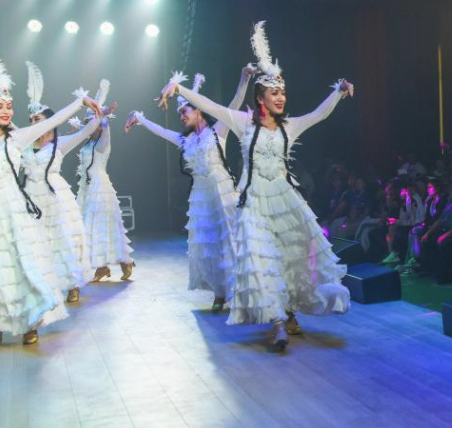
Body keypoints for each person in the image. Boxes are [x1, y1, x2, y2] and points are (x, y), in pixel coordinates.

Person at [158, 21, 352, 350]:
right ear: (261, 98)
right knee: (261, 260)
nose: (281, 97)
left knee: (290, 259)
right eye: (274, 93)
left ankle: (289, 311)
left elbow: (319, 114)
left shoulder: (290, 126)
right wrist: (179, 89)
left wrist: (339, 90)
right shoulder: (243, 123)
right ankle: (277, 322)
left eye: (283, 92)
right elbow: (210, 106)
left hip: (285, 201)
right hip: (253, 204)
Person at [125, 70, 249, 312]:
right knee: (210, 245)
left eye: (184, 111)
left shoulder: (218, 130)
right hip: (202, 197)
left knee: (231, 240)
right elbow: (161, 131)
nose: (181, 116)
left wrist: (244, 79)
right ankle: (220, 292)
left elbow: (234, 104)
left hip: (223, 193)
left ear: (198, 110)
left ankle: (241, 290)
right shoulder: (185, 140)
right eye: (180, 113)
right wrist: (139, 118)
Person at [0, 60, 102, 345]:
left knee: (22, 263)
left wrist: (81, 102)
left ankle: (31, 322)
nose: (6, 110)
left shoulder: (17, 138)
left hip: (13, 209)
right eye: (1, 106)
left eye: (9, 106)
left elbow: (52, 122)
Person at [21, 62, 112, 303]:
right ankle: (41, 286)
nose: (33, 123)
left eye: (37, 119)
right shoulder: (25, 146)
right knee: (36, 242)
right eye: (31, 119)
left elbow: (87, 130)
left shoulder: (60, 144)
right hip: (31, 197)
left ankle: (72, 283)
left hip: (54, 196)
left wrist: (99, 108)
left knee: (61, 239)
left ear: (49, 121)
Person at [77, 80, 136, 282]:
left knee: (105, 226)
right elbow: (84, 130)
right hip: (86, 187)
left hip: (100, 188)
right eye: (88, 123)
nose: (90, 125)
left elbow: (103, 126)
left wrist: (102, 114)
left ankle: (126, 262)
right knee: (91, 228)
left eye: (93, 122)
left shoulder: (103, 142)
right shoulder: (88, 142)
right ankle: (101, 267)